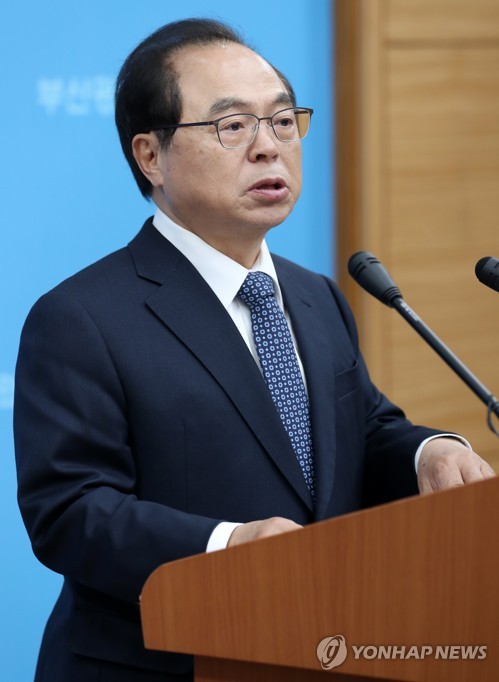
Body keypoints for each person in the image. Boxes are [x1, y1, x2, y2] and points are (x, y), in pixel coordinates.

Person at [14, 17, 495, 682]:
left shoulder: (315, 295)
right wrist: (229, 544)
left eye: (283, 121)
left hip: (318, 647)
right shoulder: (81, 317)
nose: (269, 148)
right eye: (232, 125)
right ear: (150, 155)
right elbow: (70, 511)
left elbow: (361, 430)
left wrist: (428, 453)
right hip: (164, 663)